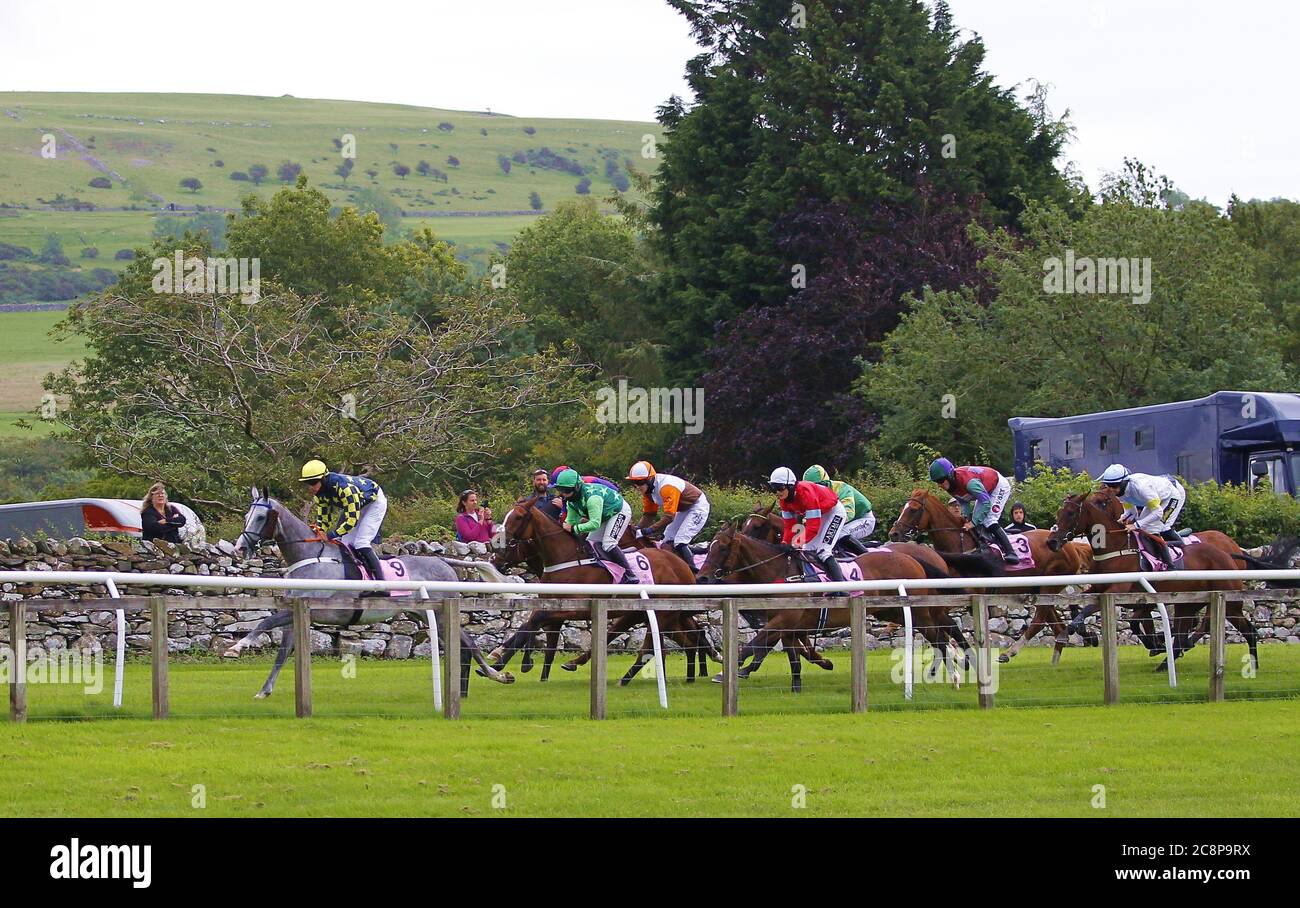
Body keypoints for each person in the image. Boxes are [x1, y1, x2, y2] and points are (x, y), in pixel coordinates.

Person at [299, 459, 387, 581]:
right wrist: (319, 531)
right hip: (357, 505)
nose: (310, 487)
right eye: (307, 483)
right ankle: (360, 579)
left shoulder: (344, 488)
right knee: (346, 545)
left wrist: (331, 535)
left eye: (313, 482)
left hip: (374, 502)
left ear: (324, 479)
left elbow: (351, 520)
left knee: (361, 542)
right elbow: (324, 519)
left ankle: (382, 583)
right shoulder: (320, 494)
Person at [768, 466, 849, 591]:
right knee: (807, 550)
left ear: (790, 486)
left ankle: (842, 589)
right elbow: (790, 527)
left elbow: (812, 528)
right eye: (774, 488)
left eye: (780, 488)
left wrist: (795, 544)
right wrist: (785, 543)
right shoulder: (784, 502)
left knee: (823, 551)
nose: (777, 492)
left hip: (834, 512)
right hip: (820, 513)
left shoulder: (806, 493)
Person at [553, 468, 638, 584]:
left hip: (619, 510)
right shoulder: (571, 501)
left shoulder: (592, 498)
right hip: (603, 515)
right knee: (590, 543)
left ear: (577, 486)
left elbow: (594, 524)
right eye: (560, 490)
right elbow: (570, 522)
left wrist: (574, 529)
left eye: (566, 490)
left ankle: (630, 575)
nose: (563, 494)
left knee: (608, 544)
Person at [929, 457, 1019, 564]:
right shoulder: (951, 486)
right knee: (975, 519)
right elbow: (964, 501)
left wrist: (973, 522)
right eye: (936, 482)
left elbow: (986, 503)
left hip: (998, 486)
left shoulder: (969, 483)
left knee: (989, 519)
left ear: (950, 476)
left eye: (940, 481)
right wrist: (967, 519)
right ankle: (984, 546)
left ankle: (1011, 552)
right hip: (984, 488)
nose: (939, 485)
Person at [1098, 464, 1187, 568]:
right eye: (1108, 486)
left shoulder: (1141, 488)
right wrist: (1123, 517)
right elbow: (1131, 512)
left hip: (1172, 495)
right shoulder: (1120, 492)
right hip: (1158, 496)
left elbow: (1158, 513)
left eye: (1114, 486)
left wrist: (1136, 525)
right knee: (1145, 525)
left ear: (1124, 483)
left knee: (1154, 528)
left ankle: (1171, 566)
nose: (1111, 490)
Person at [626, 460, 709, 569]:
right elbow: (649, 514)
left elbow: (669, 517)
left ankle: (694, 573)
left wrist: (648, 530)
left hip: (698, 507)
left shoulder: (667, 487)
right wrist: (636, 528)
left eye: (640, 482)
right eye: (634, 483)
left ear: (650, 479)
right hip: (683, 510)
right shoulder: (648, 493)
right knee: (667, 542)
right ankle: (701, 549)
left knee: (680, 542)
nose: (637, 486)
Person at [803, 464, 874, 554]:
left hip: (864, 520)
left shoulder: (842, 489)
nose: (816, 490)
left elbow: (848, 513)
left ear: (826, 482)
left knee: (839, 534)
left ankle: (867, 557)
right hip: (845, 523)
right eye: (811, 488)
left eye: (820, 485)